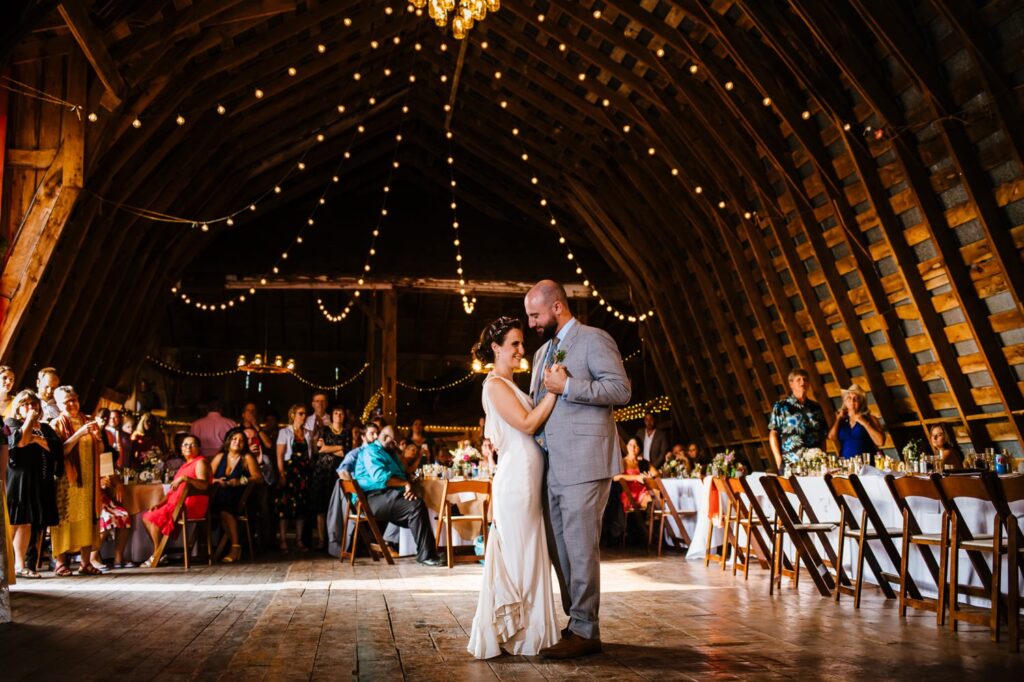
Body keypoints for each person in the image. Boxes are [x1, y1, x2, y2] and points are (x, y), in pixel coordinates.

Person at [525, 279, 630, 659]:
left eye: (536, 315)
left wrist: (570, 387)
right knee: (560, 548)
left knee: (581, 547)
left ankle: (587, 630)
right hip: (551, 464)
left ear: (556, 307)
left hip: (586, 460)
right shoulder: (541, 356)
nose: (533, 323)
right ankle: (576, 623)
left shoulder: (594, 338)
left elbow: (620, 390)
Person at [468, 315, 567, 658]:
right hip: (515, 480)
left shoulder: (512, 385)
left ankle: (528, 631)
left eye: (522, 343)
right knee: (519, 551)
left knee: (529, 550)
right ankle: (516, 633)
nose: (521, 350)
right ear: (495, 348)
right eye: (514, 344)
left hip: (527, 477)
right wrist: (555, 393)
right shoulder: (494, 385)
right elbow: (526, 423)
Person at [352, 429, 442, 567]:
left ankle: (430, 552)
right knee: (416, 507)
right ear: (386, 437)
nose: (399, 445)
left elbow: (401, 475)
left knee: (418, 504)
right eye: (395, 442)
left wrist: (408, 484)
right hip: (372, 499)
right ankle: (426, 555)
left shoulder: (390, 453)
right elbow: (381, 478)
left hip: (386, 495)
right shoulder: (372, 451)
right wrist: (405, 484)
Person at [5, 390, 63, 578]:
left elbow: (55, 447)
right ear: (18, 407)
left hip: (39, 480)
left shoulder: (45, 427)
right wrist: (29, 423)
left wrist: (36, 439)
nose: (31, 407)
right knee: (14, 521)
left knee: (27, 522)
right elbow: (19, 442)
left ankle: (20, 566)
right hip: (18, 479)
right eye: (26, 404)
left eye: (34, 404)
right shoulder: (12, 423)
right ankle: (5, 564)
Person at [49, 386, 104, 575]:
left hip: (89, 479)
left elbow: (101, 449)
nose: (72, 404)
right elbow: (60, 451)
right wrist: (80, 433)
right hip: (67, 479)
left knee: (87, 517)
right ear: (58, 404)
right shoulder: (56, 423)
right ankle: (60, 562)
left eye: (74, 400)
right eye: (67, 401)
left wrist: (97, 437)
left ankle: (86, 563)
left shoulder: (87, 420)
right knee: (66, 518)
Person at [140, 435, 211, 567]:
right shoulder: (185, 465)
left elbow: (204, 485)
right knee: (147, 516)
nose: (188, 447)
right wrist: (160, 503)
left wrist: (185, 478)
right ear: (181, 449)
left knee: (153, 518)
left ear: (198, 448)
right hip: (179, 502)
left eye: (192, 444)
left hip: (191, 504)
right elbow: (173, 490)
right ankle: (159, 552)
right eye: (185, 445)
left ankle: (157, 555)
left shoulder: (200, 462)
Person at [210, 428, 261, 563]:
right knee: (221, 504)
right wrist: (216, 481)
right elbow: (207, 476)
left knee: (225, 506)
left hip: (240, 496)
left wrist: (239, 481)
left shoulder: (247, 457)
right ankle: (234, 546)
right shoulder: (220, 457)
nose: (237, 442)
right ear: (228, 441)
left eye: (241, 440)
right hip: (220, 494)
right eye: (234, 439)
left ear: (244, 444)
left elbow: (258, 477)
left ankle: (235, 547)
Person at [768, 368, 827, 473]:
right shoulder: (781, 406)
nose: (803, 382)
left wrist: (823, 457)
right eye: (798, 379)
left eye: (805, 379)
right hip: (791, 465)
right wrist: (779, 461)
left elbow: (822, 435)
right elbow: (773, 433)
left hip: (815, 464)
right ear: (791, 384)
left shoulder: (816, 407)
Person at [276, 404, 315, 552]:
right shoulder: (284, 432)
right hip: (290, 471)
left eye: (305, 414)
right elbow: (279, 456)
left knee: (301, 508)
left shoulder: (308, 433)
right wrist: (281, 475)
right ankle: (284, 540)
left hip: (304, 473)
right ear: (292, 415)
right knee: (285, 507)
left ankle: (299, 540)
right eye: (300, 413)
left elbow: (310, 453)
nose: (303, 416)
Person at [312, 405, 351, 550]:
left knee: (336, 506)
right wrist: (339, 447)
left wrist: (330, 448)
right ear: (332, 415)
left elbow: (346, 452)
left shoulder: (347, 432)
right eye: (336, 413)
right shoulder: (325, 430)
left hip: (337, 472)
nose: (338, 415)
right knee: (321, 506)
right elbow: (321, 449)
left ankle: (336, 539)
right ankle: (322, 540)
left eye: (341, 413)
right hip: (322, 471)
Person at [828, 384, 885, 464]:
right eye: (849, 398)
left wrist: (864, 423)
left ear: (861, 402)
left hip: (866, 466)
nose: (852, 401)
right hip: (845, 465)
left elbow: (880, 442)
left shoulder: (870, 418)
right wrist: (839, 418)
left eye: (856, 399)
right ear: (845, 401)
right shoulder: (842, 420)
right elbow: (832, 437)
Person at [618, 439, 653, 512]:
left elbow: (656, 474)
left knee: (653, 499)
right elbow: (615, 477)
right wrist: (637, 477)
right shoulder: (622, 461)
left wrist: (649, 476)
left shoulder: (642, 462)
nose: (632, 447)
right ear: (627, 446)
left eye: (635, 445)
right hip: (629, 492)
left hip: (642, 492)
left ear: (639, 448)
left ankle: (650, 521)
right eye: (630, 445)